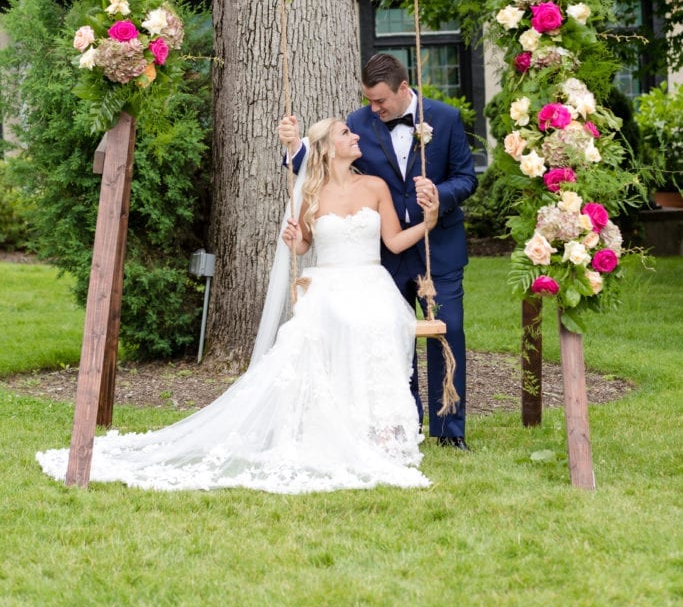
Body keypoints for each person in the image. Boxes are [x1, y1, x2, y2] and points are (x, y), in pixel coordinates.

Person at [37, 118, 437, 494]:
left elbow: (395, 242)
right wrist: (293, 239)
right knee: (335, 321)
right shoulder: (312, 193)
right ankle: (336, 430)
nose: (355, 136)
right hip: (330, 284)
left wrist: (429, 221)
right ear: (327, 148)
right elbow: (303, 247)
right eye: (345, 132)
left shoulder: (375, 187)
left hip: (371, 281)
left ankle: (381, 434)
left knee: (378, 324)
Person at [279, 53, 478, 450]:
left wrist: (439, 195)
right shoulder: (357, 123)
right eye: (369, 100)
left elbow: (466, 178)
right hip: (382, 258)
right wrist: (289, 144)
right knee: (390, 339)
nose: (374, 108)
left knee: (448, 331)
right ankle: (406, 421)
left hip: (437, 248)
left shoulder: (447, 118)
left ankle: (449, 429)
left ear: (404, 89)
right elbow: (318, 160)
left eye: (381, 101)